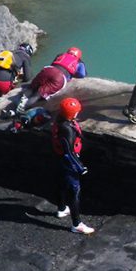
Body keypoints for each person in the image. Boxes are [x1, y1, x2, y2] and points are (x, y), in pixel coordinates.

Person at [51, 97, 94, 235]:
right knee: (74, 192)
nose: (77, 113)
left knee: (61, 184)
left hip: (58, 160)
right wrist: (80, 167)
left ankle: (62, 209)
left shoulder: (59, 121)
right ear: (71, 114)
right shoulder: (67, 129)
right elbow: (68, 151)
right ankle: (77, 224)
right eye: (76, 112)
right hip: (68, 163)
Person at [14, 46, 86, 115]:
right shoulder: (79, 62)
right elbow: (82, 74)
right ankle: (22, 109)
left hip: (48, 69)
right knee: (38, 94)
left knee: (32, 87)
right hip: (59, 77)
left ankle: (20, 100)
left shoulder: (61, 55)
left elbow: (53, 63)